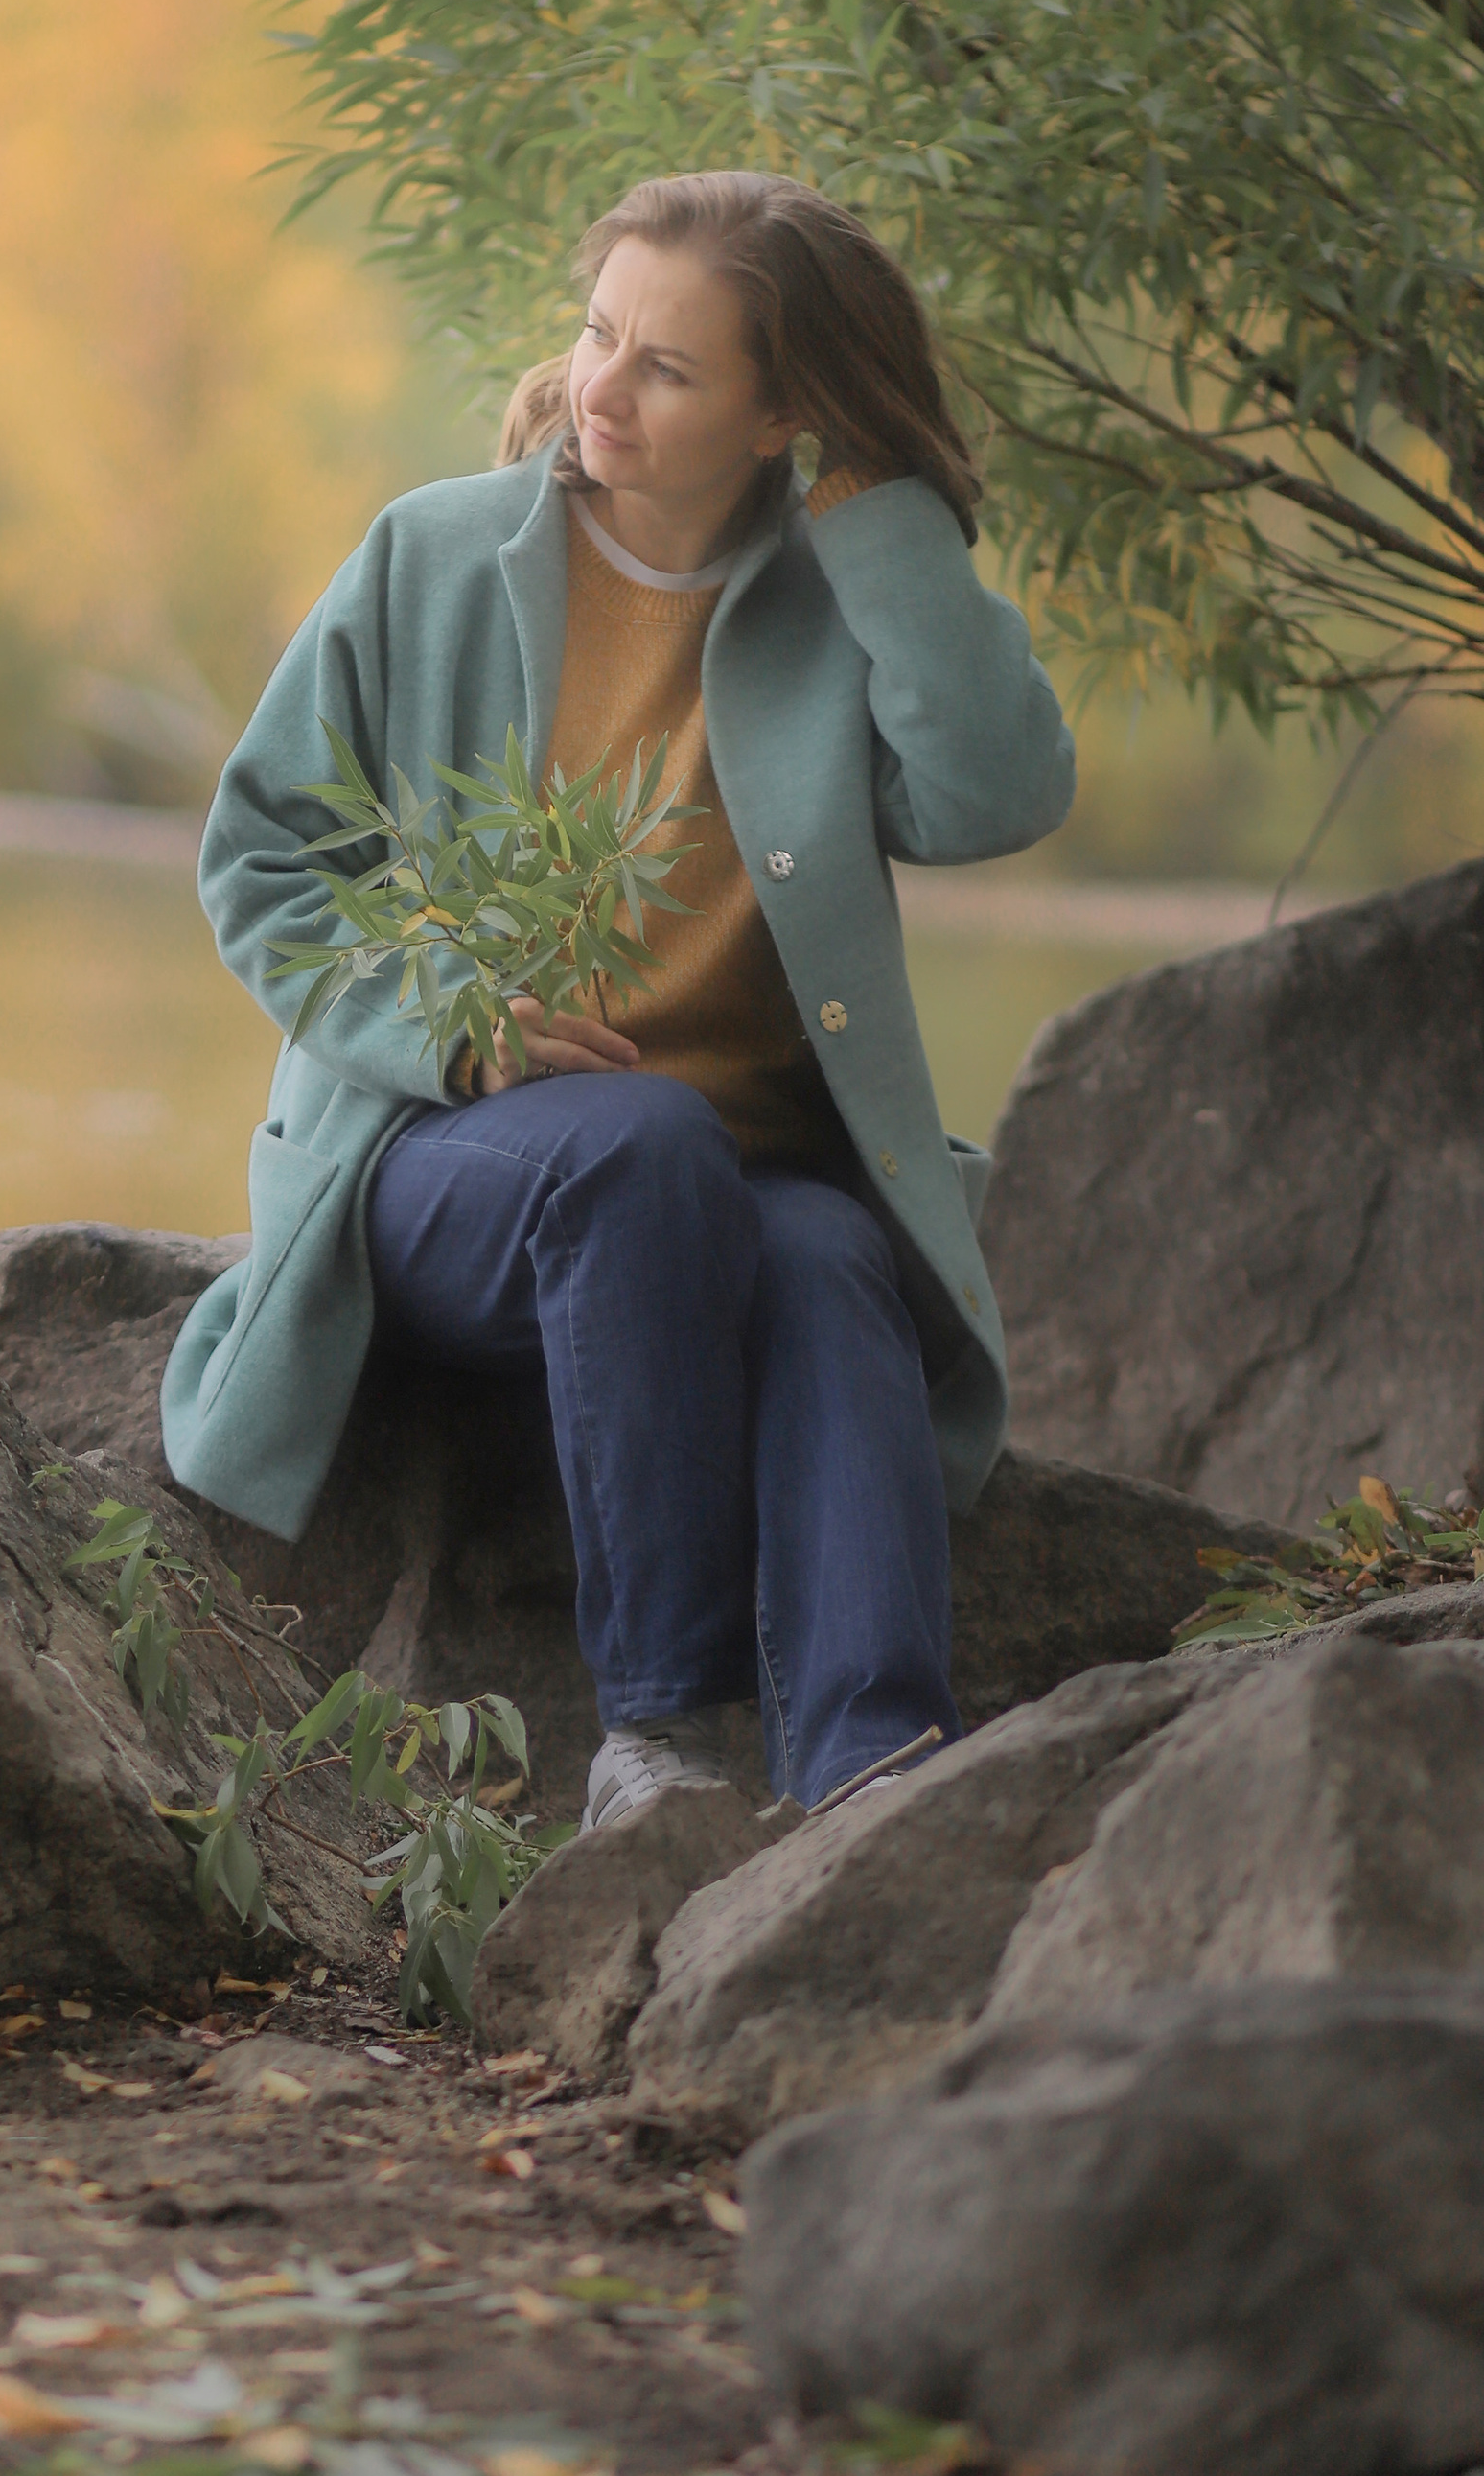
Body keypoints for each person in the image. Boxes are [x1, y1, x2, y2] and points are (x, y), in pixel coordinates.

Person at [160, 170, 1077, 1828]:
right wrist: (451, 1015)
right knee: (639, 1146)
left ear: (786, 408)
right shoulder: (433, 556)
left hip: (750, 1179)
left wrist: (880, 515)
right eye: (600, 334)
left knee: (823, 1252)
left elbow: (994, 792)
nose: (601, 386)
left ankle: (878, 1779)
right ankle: (657, 1739)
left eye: (669, 367)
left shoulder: (837, 599)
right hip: (458, 1164)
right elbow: (262, 861)